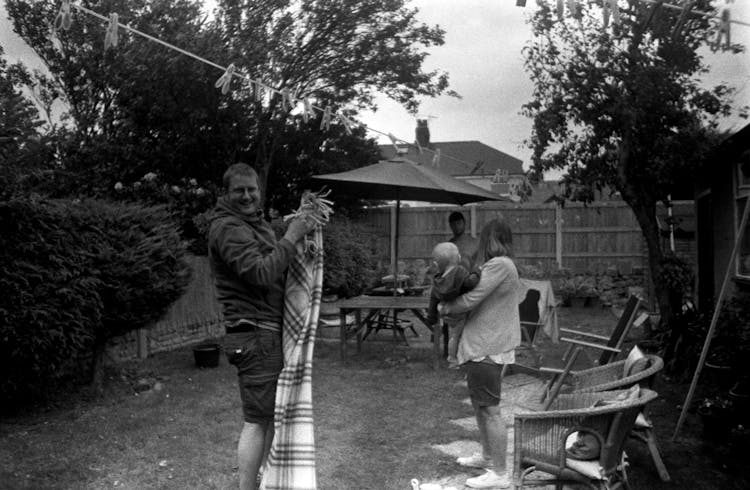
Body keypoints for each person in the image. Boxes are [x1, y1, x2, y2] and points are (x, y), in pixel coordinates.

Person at [208, 163, 315, 490]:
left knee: (268, 418)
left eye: (252, 189)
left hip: (262, 333)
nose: (246, 195)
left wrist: (298, 246)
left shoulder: (251, 225)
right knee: (258, 421)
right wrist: (291, 235)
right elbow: (260, 273)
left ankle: (263, 484)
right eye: (238, 190)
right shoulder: (229, 228)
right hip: (254, 333)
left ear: (259, 190)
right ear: (225, 193)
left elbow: (275, 266)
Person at [439, 218, 521, 489]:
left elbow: (472, 299)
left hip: (488, 347)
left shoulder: (500, 265)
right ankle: (487, 457)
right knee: (480, 405)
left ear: (489, 240)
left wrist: (445, 309)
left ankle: (499, 473)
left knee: (490, 410)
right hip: (482, 345)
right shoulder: (497, 266)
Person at [424, 242, 480, 368]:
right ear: (458, 258)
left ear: (436, 264)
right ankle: (455, 359)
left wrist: (431, 317)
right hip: (460, 312)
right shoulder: (459, 272)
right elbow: (469, 283)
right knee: (461, 336)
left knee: (454, 336)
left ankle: (453, 359)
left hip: (446, 312)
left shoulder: (438, 279)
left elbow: (433, 297)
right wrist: (477, 272)